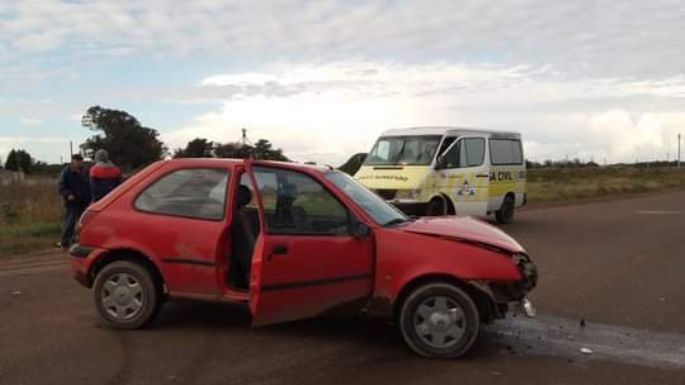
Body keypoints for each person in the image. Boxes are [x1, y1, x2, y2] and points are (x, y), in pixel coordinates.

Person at [58, 154, 91, 249]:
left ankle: (82, 240)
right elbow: (61, 186)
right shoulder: (66, 172)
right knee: (70, 222)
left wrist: (89, 196)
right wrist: (68, 194)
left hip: (84, 200)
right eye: (77, 161)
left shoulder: (85, 171)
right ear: (73, 161)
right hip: (72, 201)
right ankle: (64, 241)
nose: (79, 163)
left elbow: (88, 185)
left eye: (81, 161)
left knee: (84, 222)